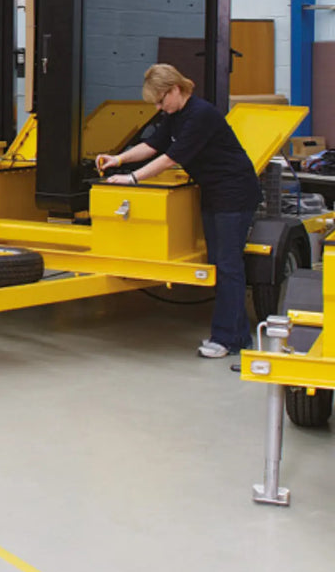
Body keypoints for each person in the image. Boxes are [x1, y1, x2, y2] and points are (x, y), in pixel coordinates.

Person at [95, 63, 262, 359]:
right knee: (220, 263)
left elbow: (170, 158)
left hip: (234, 192)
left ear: (175, 89)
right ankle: (236, 335)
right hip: (213, 191)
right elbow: (152, 145)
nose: (159, 108)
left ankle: (227, 339)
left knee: (228, 264)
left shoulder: (201, 115)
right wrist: (118, 159)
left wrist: (133, 179)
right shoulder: (174, 115)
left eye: (161, 101)